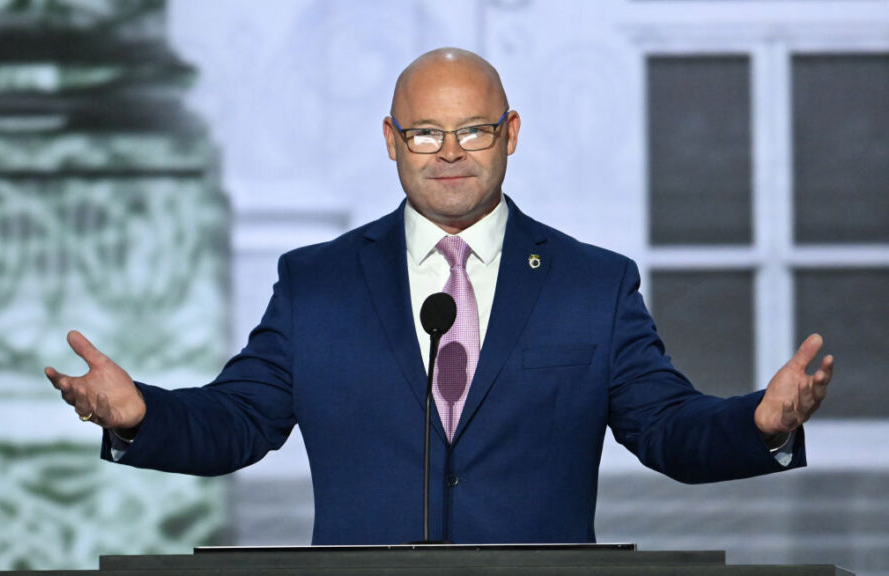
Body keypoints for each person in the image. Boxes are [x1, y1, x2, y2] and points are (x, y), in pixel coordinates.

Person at [45, 47, 833, 545]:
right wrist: (140, 414)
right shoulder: (317, 283)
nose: (449, 153)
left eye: (473, 131)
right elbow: (238, 421)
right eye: (425, 133)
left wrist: (758, 424)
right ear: (391, 141)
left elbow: (666, 429)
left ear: (510, 134)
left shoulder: (592, 284)